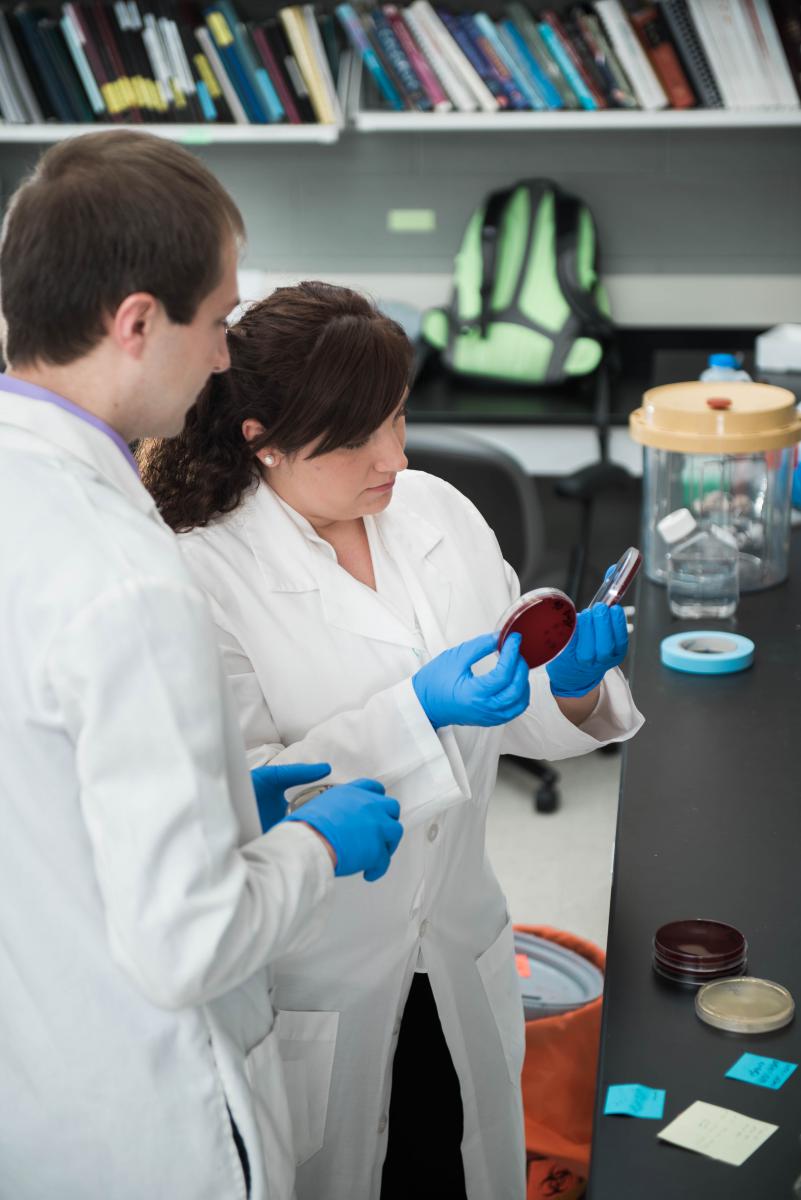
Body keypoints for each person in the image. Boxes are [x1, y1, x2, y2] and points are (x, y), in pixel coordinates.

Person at [140, 281, 644, 1200]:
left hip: (457, 941)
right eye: (357, 438)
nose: (394, 457)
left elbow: (503, 699)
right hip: (316, 971)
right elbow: (243, 792)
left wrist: (562, 691)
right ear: (263, 439)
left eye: (400, 419)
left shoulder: (433, 511)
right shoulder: (197, 572)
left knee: (456, 1157)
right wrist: (417, 710)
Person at [0, 134, 403, 1200]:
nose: (227, 356)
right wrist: (314, 844)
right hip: (151, 1128)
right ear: (136, 323)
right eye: (219, 320)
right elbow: (191, 943)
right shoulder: (131, 580)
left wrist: (225, 796)